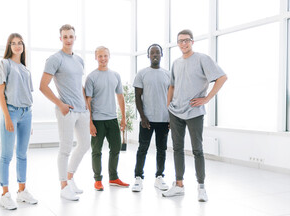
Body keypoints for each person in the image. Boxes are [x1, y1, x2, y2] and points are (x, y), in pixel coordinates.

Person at [163, 29, 227, 202]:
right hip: (175, 111)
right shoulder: (176, 63)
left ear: (192, 41)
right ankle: (178, 185)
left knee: (197, 150)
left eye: (186, 40)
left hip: (194, 112)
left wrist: (206, 98)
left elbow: (222, 77)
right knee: (177, 149)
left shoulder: (202, 59)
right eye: (180, 41)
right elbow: (172, 86)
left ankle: (201, 187)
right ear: (177, 44)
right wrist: (168, 107)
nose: (183, 44)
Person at [39, 24, 90, 201]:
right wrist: (60, 104)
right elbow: (43, 86)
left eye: (71, 36)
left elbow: (79, 85)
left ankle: (70, 177)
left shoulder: (79, 60)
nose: (68, 39)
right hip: (66, 110)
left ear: (75, 38)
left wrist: (87, 107)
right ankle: (63, 186)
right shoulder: (54, 59)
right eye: (65, 36)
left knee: (84, 145)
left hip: (82, 110)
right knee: (65, 148)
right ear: (60, 38)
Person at [0, 33, 38, 210]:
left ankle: (21, 191)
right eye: (13, 43)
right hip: (11, 112)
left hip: (26, 113)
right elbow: (0, 92)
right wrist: (7, 116)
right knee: (7, 155)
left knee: (22, 154)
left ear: (23, 46)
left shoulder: (25, 69)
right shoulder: (4, 64)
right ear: (9, 46)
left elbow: (28, 95)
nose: (17, 46)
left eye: (19, 43)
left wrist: (31, 120)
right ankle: (5, 194)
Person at [85, 46, 129, 191]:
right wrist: (90, 122)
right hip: (97, 120)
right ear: (96, 57)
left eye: (105, 56)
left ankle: (114, 177)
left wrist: (123, 117)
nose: (103, 58)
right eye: (100, 56)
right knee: (96, 150)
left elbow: (120, 97)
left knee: (115, 148)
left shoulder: (115, 75)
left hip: (112, 119)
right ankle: (98, 180)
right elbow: (88, 101)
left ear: (109, 57)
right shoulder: (91, 77)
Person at [132, 44, 171, 192]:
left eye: (157, 52)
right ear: (148, 56)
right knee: (143, 148)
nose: (155, 55)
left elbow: (171, 98)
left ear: (161, 55)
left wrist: (171, 118)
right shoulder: (142, 74)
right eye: (152, 53)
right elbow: (137, 97)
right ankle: (138, 177)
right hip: (147, 119)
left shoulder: (167, 74)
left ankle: (159, 177)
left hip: (164, 119)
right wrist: (142, 117)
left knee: (162, 149)